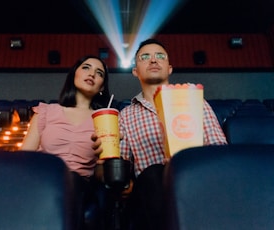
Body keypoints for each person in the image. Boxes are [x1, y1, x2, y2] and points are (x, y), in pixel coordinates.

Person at [92, 38, 227, 230]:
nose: (153, 60)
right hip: (150, 191)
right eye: (145, 57)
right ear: (135, 71)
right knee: (154, 173)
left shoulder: (196, 102)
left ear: (169, 68)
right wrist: (108, 167)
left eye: (160, 56)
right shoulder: (126, 115)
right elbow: (120, 166)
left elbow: (219, 151)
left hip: (197, 183)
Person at [21, 55, 111, 230]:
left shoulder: (104, 120)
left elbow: (101, 175)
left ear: (102, 87)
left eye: (99, 73)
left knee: (73, 180)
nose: (92, 73)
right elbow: (24, 157)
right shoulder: (46, 111)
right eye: (86, 67)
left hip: (81, 186)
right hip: (43, 179)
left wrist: (104, 159)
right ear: (74, 75)